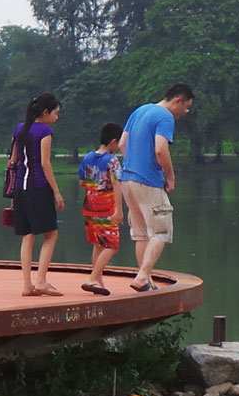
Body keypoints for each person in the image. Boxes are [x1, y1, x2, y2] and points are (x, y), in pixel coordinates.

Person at [119, 84, 194, 292]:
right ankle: (143, 276)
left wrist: (133, 164)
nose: (185, 112)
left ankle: (145, 279)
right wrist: (170, 177)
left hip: (127, 179)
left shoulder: (140, 111)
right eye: (186, 107)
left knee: (141, 233)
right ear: (177, 100)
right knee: (161, 231)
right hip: (148, 180)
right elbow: (160, 150)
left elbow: (122, 144)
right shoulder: (165, 117)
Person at [8, 92, 64, 297]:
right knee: (51, 233)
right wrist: (57, 192)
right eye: (55, 113)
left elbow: (13, 160)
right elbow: (44, 163)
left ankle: (27, 285)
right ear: (46, 112)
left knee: (28, 236)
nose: (56, 117)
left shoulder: (19, 129)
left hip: (20, 189)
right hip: (38, 187)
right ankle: (41, 280)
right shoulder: (44, 132)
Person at [78, 122, 124, 296]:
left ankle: (98, 281)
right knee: (112, 245)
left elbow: (82, 182)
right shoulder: (112, 160)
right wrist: (119, 210)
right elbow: (117, 184)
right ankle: (92, 278)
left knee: (98, 244)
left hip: (90, 207)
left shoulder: (88, 158)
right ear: (113, 141)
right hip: (106, 208)